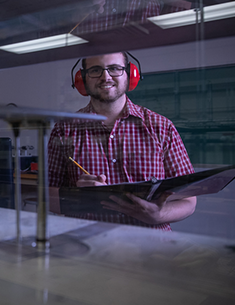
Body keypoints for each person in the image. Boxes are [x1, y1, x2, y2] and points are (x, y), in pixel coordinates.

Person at [48, 52, 196, 231]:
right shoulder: (64, 129)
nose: (105, 77)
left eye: (114, 69)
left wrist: (157, 215)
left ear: (130, 74)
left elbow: (189, 199)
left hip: (152, 248)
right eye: (96, 70)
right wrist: (79, 197)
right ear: (82, 79)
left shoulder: (162, 127)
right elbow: (46, 196)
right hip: (88, 246)